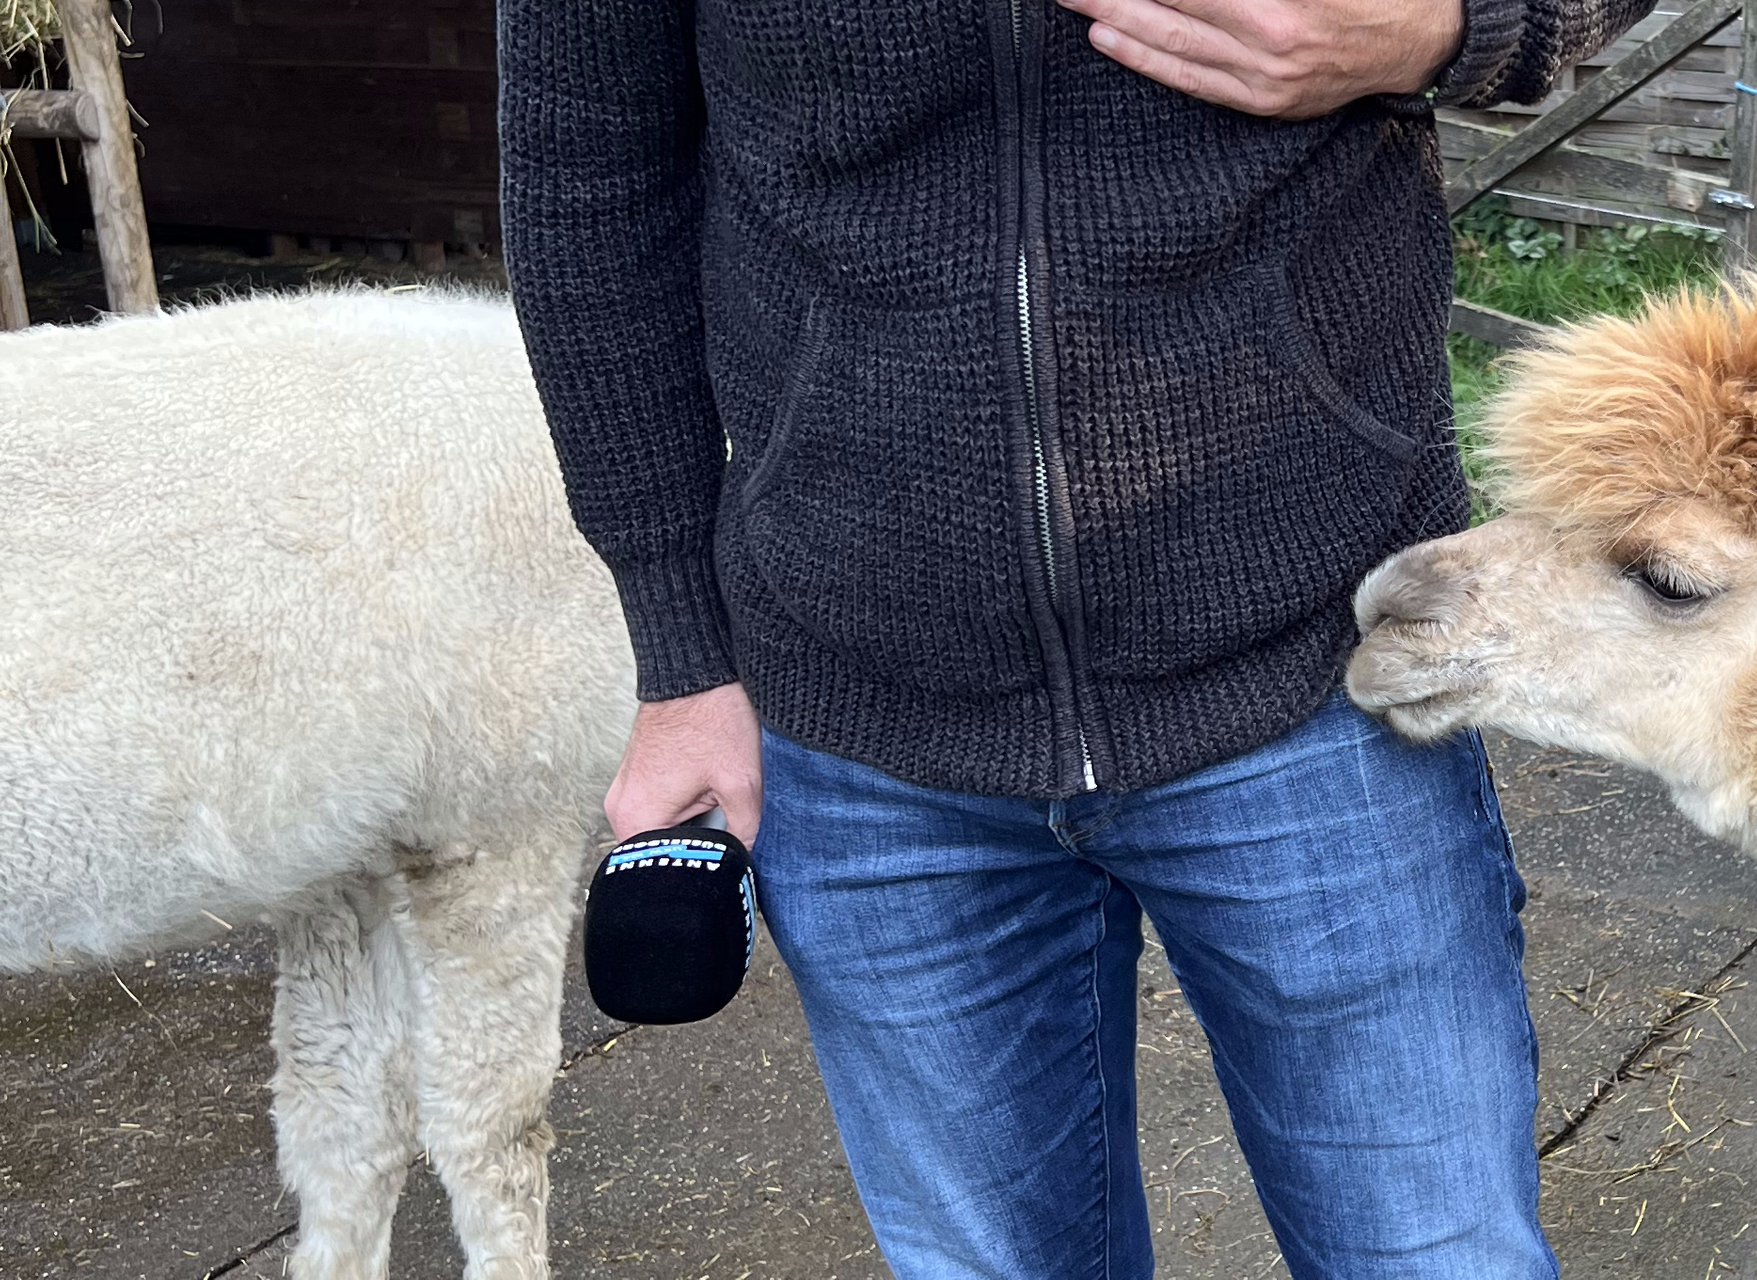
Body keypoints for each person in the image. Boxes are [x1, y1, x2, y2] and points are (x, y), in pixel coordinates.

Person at [495, 0, 1653, 1274]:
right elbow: (587, 176)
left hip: (1323, 669)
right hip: (871, 722)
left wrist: (1455, 26)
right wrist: (680, 653)